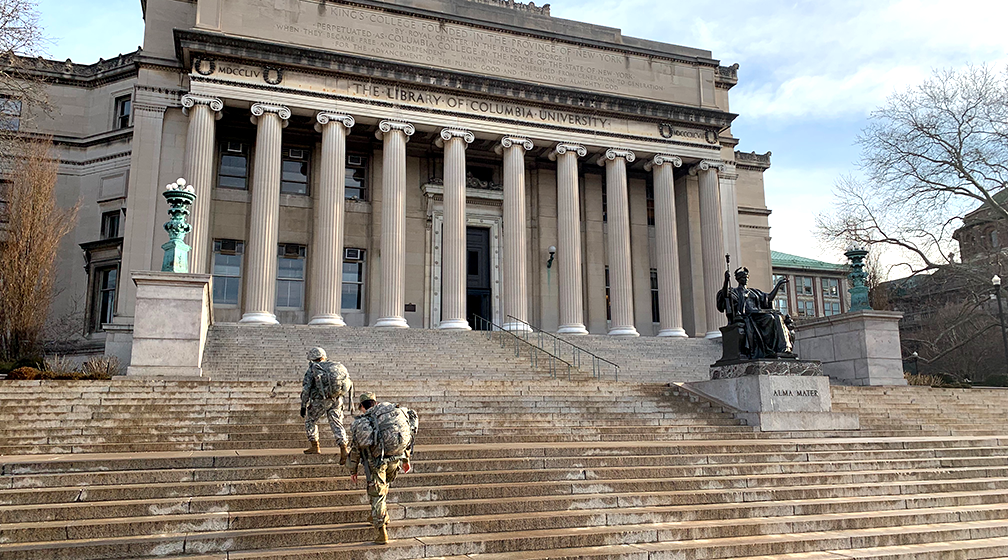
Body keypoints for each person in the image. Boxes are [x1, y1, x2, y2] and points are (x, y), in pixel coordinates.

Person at [347, 392, 415, 545]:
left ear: (362, 406)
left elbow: (356, 449)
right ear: (375, 403)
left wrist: (353, 470)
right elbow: (403, 433)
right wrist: (406, 458)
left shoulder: (364, 421)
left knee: (377, 493)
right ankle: (375, 514)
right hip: (395, 458)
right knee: (382, 487)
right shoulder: (388, 414)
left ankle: (381, 530)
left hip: (376, 462)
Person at [716, 266, 795, 359]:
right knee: (770, 318)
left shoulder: (754, 292)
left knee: (777, 317)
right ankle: (770, 350)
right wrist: (726, 281)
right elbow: (725, 295)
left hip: (759, 314)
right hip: (747, 317)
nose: (745, 279)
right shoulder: (735, 291)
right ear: (738, 279)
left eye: (746, 277)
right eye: (743, 278)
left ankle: (784, 348)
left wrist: (778, 285)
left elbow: (768, 298)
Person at [299, 347, 352, 463]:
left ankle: (315, 445)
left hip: (320, 400)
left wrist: (303, 404)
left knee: (310, 421)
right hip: (337, 399)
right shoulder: (335, 366)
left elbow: (306, 388)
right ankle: (344, 449)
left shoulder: (313, 369)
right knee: (337, 423)